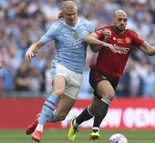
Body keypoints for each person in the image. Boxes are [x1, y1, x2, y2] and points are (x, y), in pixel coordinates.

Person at [67, 10, 155, 141]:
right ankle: (95, 129)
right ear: (114, 20)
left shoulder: (130, 35)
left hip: (114, 78)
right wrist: (104, 42)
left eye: (124, 20)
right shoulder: (106, 31)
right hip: (98, 73)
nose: (122, 22)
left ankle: (74, 123)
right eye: (119, 19)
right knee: (109, 94)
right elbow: (87, 38)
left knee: (94, 109)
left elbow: (148, 49)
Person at [24, 1, 114, 142]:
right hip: (61, 66)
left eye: (74, 14)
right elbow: (39, 43)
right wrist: (30, 49)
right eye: (68, 15)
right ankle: (39, 129)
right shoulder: (56, 28)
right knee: (58, 91)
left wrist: (106, 39)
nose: (72, 17)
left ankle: (40, 117)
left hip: (77, 73)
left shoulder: (87, 26)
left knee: (61, 116)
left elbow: (94, 49)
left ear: (77, 12)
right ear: (63, 14)